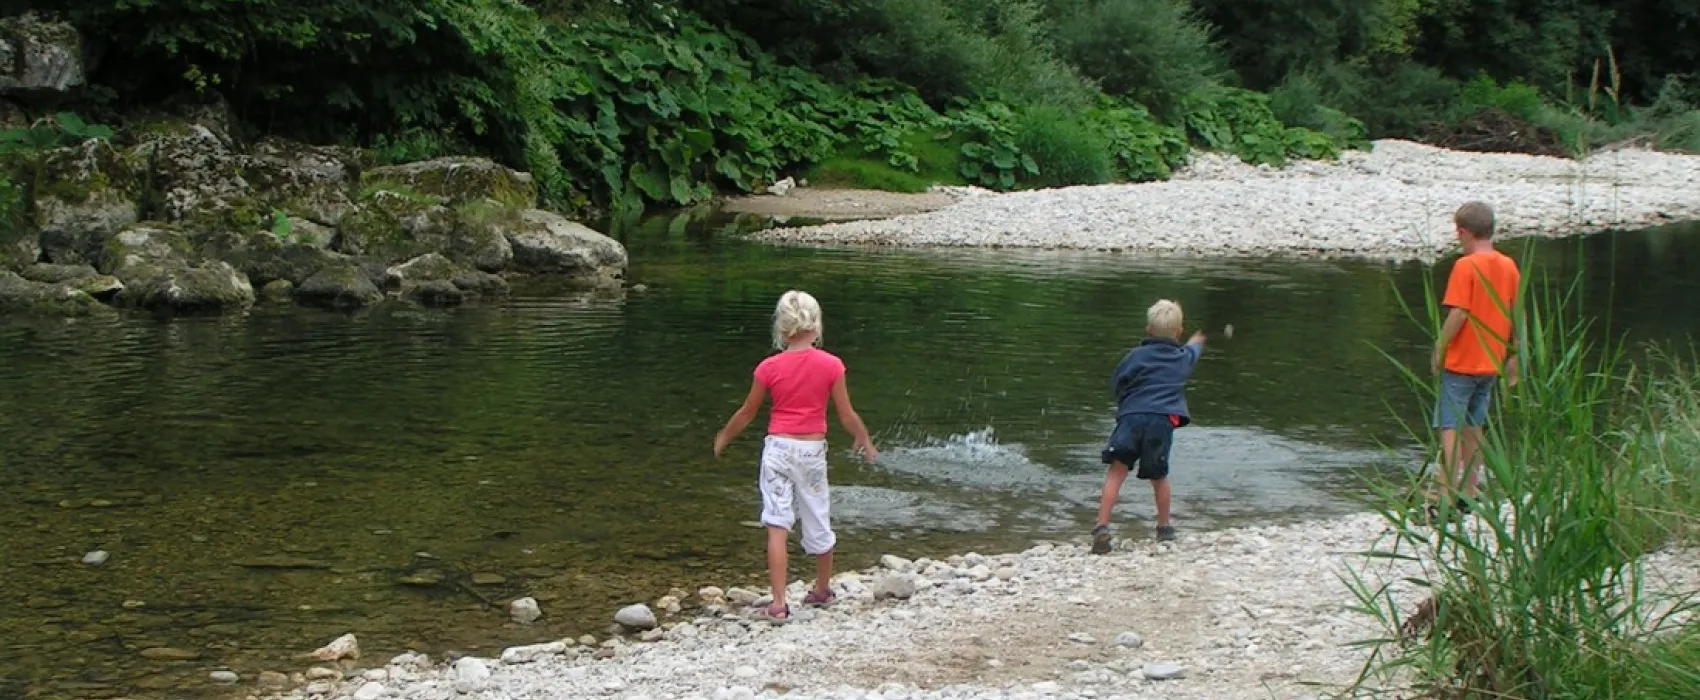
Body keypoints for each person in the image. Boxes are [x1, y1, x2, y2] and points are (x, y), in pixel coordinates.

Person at [713, 290, 879, 621]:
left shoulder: (768, 367)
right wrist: (863, 438)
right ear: (816, 327)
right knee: (818, 517)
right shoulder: (831, 365)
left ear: (781, 329)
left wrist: (724, 436)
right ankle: (821, 590)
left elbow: (747, 412)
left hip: (777, 449)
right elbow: (846, 414)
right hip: (811, 452)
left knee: (777, 523)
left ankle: (777, 604)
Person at [1092, 299, 1206, 554]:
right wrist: (1199, 340)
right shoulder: (1182, 357)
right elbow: (1194, 350)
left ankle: (1102, 525)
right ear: (1178, 333)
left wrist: (1125, 401)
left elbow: (1117, 382)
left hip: (1132, 417)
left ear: (1148, 330)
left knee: (1117, 470)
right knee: (1159, 475)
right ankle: (1164, 527)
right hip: (1161, 421)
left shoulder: (1135, 356)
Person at [1430, 201, 1521, 516]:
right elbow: (1514, 314)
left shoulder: (1465, 267)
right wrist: (1514, 356)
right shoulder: (1509, 265)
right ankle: (1470, 492)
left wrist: (1439, 349)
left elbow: (1459, 312)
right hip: (1491, 363)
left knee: (1450, 428)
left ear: (1463, 232)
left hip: (1461, 364)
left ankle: (1445, 495)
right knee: (1474, 427)